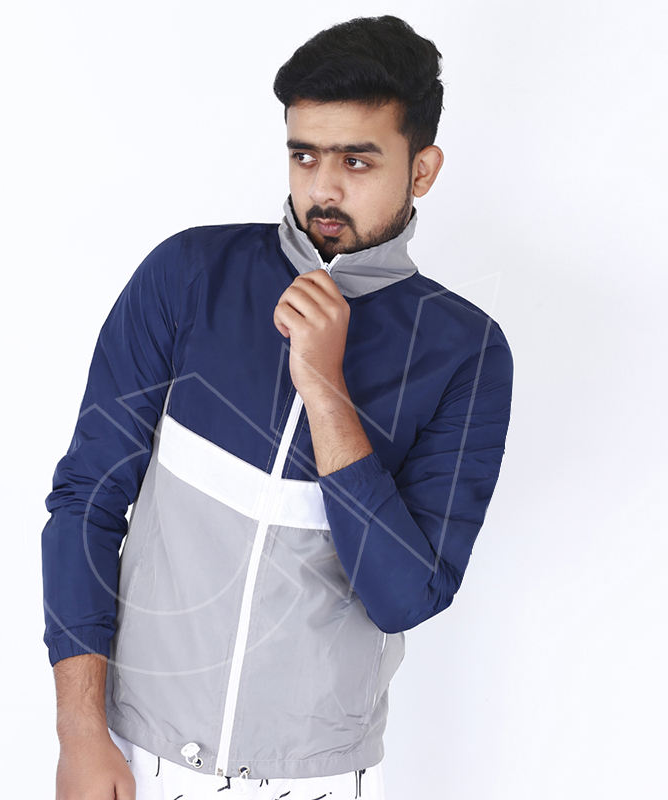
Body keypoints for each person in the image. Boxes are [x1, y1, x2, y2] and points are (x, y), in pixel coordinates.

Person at [41, 14, 514, 800]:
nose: (323, 188)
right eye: (304, 155)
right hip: (134, 753)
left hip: (319, 777)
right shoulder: (190, 275)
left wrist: (325, 386)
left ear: (422, 169)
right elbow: (85, 501)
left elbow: (404, 596)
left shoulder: (465, 352)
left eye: (357, 160)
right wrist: (81, 732)